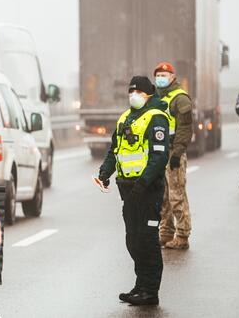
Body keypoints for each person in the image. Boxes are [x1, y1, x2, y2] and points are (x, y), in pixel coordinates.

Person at [96, 76, 170, 306]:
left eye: (137, 91)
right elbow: (114, 151)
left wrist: (143, 184)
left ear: (148, 94)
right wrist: (104, 173)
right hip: (128, 190)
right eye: (131, 91)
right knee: (133, 240)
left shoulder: (157, 118)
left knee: (147, 240)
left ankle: (150, 291)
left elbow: (159, 157)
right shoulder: (126, 117)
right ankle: (140, 286)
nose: (133, 95)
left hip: (148, 190)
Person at [153, 62, 193, 250]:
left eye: (164, 74)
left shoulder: (180, 98)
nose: (160, 77)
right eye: (158, 74)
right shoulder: (155, 98)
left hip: (173, 152)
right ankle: (166, 232)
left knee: (176, 195)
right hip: (159, 153)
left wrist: (177, 153)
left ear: (172, 77)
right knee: (162, 195)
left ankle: (182, 235)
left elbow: (185, 128)